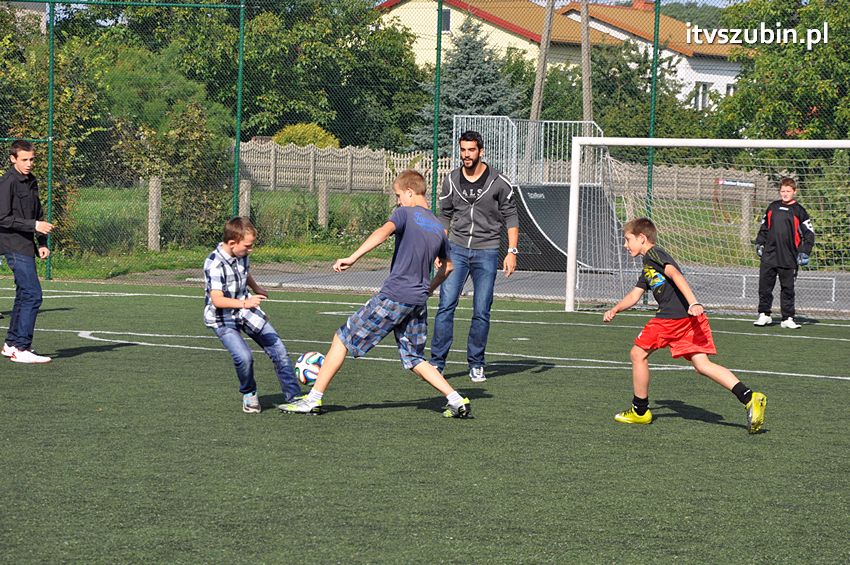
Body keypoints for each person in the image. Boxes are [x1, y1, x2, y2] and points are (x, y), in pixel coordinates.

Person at [280, 170, 471, 418]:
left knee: (342, 338)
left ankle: (313, 399)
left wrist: (352, 257)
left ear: (410, 193)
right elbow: (448, 266)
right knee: (414, 357)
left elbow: (382, 233)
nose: (398, 201)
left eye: (399, 195)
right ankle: (456, 400)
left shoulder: (404, 213)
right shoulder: (437, 226)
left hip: (395, 295)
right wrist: (429, 288)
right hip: (417, 300)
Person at [603, 218, 767, 434]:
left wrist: (693, 302)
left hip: (672, 319)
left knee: (637, 354)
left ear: (642, 238)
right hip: (687, 320)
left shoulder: (655, 254)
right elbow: (635, 295)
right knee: (702, 365)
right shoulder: (648, 267)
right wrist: (615, 309)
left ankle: (640, 410)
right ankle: (749, 397)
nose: (625, 245)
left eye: (627, 240)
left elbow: (675, 274)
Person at [429, 130, 519, 383]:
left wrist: (511, 251)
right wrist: (439, 246)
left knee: (481, 310)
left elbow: (511, 217)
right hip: (455, 249)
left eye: (471, 150)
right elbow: (444, 215)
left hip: (487, 251)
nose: (466, 155)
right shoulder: (451, 180)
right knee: (446, 306)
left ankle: (476, 363)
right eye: (463, 150)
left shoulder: (500, 182)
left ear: (481, 151)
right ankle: (437, 362)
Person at [203, 217, 301, 413]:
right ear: (232, 243)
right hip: (223, 318)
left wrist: (257, 288)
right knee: (244, 357)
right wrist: (245, 303)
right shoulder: (214, 264)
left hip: (246, 311)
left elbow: (244, 273)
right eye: (248, 246)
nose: (250, 250)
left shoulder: (241, 255)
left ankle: (295, 397)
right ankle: (249, 393)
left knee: (279, 350)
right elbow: (217, 300)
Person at [1, 140, 53, 363]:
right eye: (24, 159)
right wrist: (33, 226)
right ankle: (22, 348)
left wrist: (41, 241)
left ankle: (11, 343)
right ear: (13, 159)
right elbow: (2, 218)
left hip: (26, 244)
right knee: (33, 294)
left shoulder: (31, 181)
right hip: (12, 244)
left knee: (24, 294)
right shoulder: (7, 182)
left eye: (32, 159)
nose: (29, 163)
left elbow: (37, 212)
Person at [753, 177, 815, 329]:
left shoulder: (799, 211)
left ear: (794, 192)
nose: (785, 194)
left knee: (788, 289)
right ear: (779, 192)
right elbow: (764, 229)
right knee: (765, 287)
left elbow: (809, 234)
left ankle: (787, 318)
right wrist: (759, 243)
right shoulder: (772, 207)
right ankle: (764, 315)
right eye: (782, 191)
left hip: (789, 257)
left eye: (788, 191)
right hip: (769, 255)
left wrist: (805, 252)